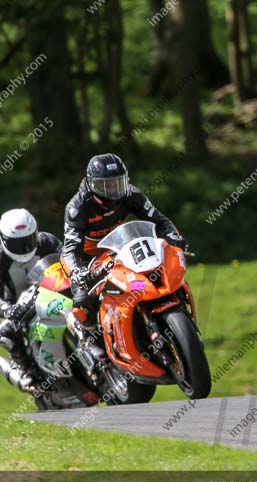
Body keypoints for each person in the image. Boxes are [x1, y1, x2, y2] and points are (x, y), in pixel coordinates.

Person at [61, 153, 186, 335]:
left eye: (117, 183)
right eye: (106, 186)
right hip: (89, 261)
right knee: (82, 303)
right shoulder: (77, 208)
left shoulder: (131, 194)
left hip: (119, 249)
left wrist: (172, 236)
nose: (113, 192)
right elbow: (70, 250)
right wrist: (77, 272)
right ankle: (93, 342)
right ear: (91, 184)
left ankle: (174, 311)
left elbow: (159, 220)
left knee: (149, 278)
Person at [0, 209, 62, 389]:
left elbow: (67, 262)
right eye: (17, 243)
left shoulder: (48, 241)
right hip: (13, 306)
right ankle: (26, 370)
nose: (25, 248)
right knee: (5, 333)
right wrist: (8, 310)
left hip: (50, 292)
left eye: (28, 241)